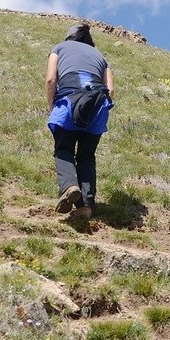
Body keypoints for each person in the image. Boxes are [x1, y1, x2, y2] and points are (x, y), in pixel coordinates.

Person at [46, 24, 114, 217]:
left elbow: (51, 79)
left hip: (69, 101)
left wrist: (52, 106)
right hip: (97, 107)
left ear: (69, 38)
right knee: (86, 156)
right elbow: (111, 90)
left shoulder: (59, 48)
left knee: (64, 149)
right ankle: (86, 206)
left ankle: (69, 186)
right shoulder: (101, 57)